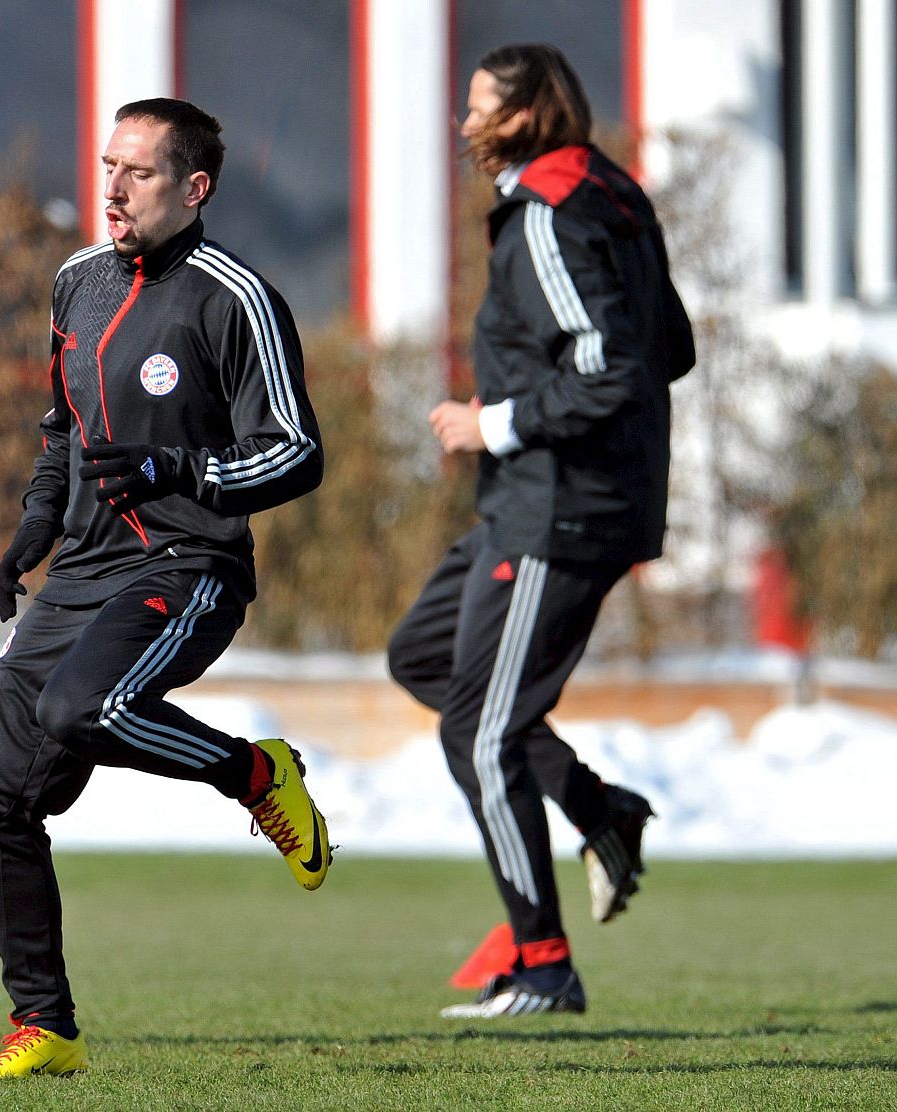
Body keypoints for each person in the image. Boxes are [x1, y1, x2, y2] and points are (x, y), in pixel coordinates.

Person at [0, 98, 328, 1080]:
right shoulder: (76, 281)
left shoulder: (234, 296)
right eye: (107, 166)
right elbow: (60, 428)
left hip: (186, 562)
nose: (113, 189)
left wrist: (189, 474)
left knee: (87, 706)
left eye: (140, 172)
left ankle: (256, 775)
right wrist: (32, 529)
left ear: (194, 187)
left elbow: (295, 453)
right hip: (81, 569)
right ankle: (44, 1025)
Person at [386, 43, 693, 1018]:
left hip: (559, 507)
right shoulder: (607, 192)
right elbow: (670, 347)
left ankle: (543, 961)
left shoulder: (552, 212)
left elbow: (613, 366)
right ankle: (603, 812)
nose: (463, 122)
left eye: (479, 107)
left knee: (478, 732)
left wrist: (497, 421)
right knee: (424, 655)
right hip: (535, 498)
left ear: (525, 116)